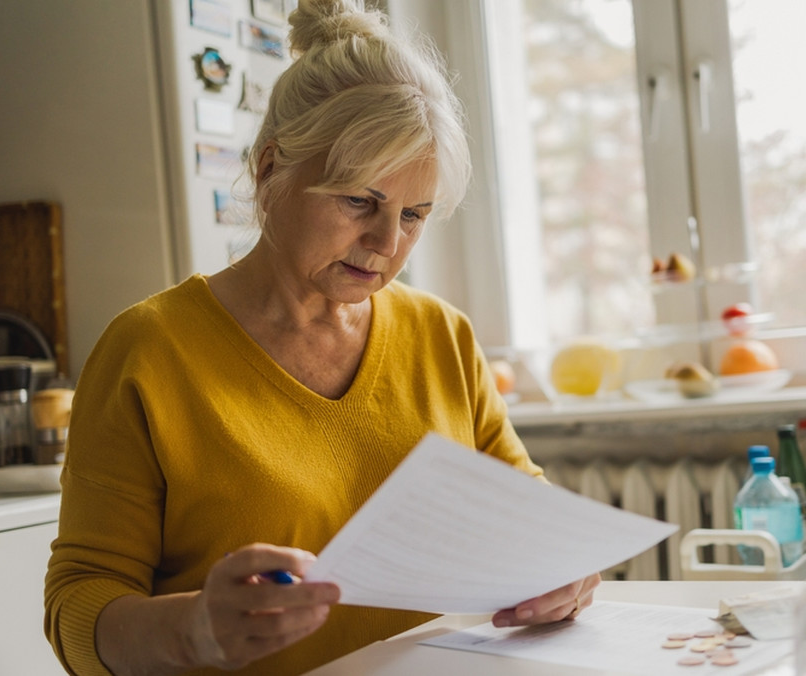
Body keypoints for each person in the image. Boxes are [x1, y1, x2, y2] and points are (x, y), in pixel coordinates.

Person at [43, 1, 600, 674]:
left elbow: (530, 517)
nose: (387, 243)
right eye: (359, 202)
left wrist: (565, 573)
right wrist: (193, 631)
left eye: (414, 214)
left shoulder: (441, 336)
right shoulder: (149, 351)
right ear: (270, 169)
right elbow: (79, 604)